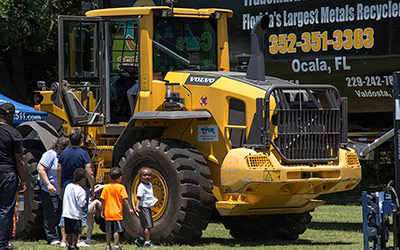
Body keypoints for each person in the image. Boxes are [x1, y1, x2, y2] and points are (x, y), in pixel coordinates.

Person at [57, 128, 94, 248]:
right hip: (82, 185)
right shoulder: (84, 153)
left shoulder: (63, 153)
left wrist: (60, 186)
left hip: (67, 184)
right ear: (81, 140)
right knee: (81, 212)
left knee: (66, 211)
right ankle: (77, 240)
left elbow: (59, 169)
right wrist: (92, 186)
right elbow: (89, 171)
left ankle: (64, 240)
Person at [0, 103, 26, 250]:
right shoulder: (14, 133)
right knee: (5, 210)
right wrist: (24, 180)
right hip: (8, 173)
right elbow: (19, 159)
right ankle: (3, 243)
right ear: (10, 116)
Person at [37, 137, 70, 245]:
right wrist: (48, 184)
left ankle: (61, 237)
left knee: (60, 213)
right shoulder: (50, 154)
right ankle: (52, 237)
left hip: (60, 191)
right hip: (48, 190)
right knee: (51, 213)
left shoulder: (63, 156)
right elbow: (40, 168)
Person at [101, 167, 134, 250]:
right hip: (117, 213)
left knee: (108, 231)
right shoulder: (121, 187)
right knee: (116, 231)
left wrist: (102, 210)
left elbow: (103, 200)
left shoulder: (106, 187)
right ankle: (116, 245)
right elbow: (124, 200)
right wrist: (129, 208)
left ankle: (108, 246)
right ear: (120, 178)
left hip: (108, 212)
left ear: (110, 177)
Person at [62, 168, 87, 250]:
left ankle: (69, 245)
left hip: (66, 213)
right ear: (83, 179)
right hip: (76, 214)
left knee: (68, 231)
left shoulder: (68, 186)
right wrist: (85, 201)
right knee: (76, 232)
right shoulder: (81, 190)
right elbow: (81, 203)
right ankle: (74, 245)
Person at [135, 167, 158, 248]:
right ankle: (147, 243)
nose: (147, 177)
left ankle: (140, 239)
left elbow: (148, 195)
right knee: (148, 226)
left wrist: (153, 199)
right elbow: (139, 197)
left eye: (149, 175)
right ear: (141, 177)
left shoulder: (150, 185)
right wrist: (137, 206)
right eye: (144, 175)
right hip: (143, 207)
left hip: (147, 207)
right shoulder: (141, 187)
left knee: (147, 225)